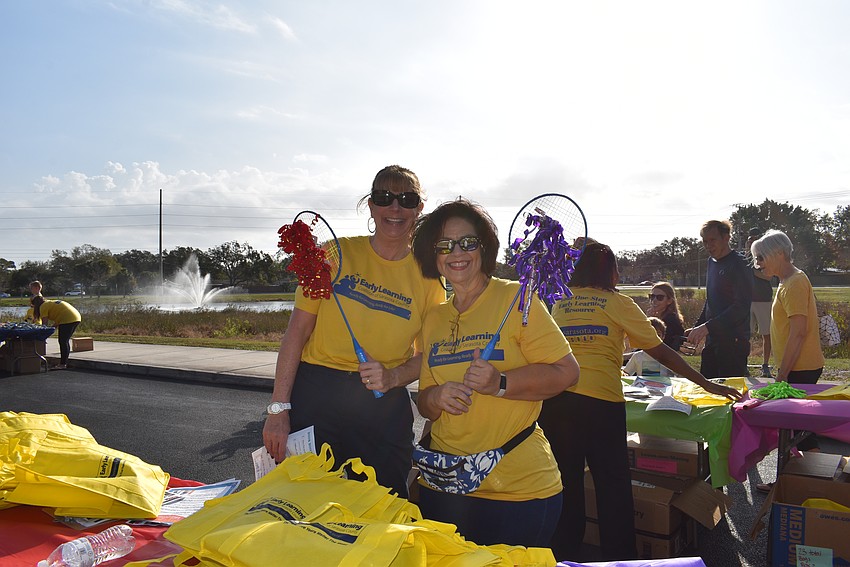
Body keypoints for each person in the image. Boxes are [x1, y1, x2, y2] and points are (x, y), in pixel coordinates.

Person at [541, 241, 741, 561]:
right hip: (600, 405)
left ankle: (564, 555)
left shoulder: (559, 302)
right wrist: (704, 383)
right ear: (610, 272)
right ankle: (619, 557)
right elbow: (659, 350)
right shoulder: (618, 303)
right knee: (613, 488)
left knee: (566, 484)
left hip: (555, 404)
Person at [261, 165, 444, 498]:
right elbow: (297, 333)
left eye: (407, 199)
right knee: (304, 502)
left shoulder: (429, 277)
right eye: (384, 197)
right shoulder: (335, 254)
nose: (395, 208)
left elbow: (428, 356)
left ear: (420, 208)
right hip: (317, 393)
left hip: (382, 403)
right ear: (370, 205)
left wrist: (393, 376)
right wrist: (278, 409)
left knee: (381, 505)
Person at [410, 198, 580, 548]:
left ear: (483, 247)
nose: (456, 252)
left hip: (517, 490)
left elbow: (567, 372)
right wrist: (437, 397)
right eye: (444, 245)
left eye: (467, 242)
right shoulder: (434, 318)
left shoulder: (517, 298)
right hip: (445, 485)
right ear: (434, 255)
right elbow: (425, 405)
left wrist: (500, 383)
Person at [752, 230, 823, 451]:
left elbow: (799, 332)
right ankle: (794, 480)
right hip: (795, 367)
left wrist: (783, 373)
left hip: (800, 368)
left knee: (800, 432)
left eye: (761, 257)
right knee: (794, 431)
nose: (758, 264)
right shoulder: (787, 282)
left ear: (779, 254)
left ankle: (812, 481)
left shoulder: (794, 283)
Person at [686, 220, 753, 378]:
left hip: (733, 342)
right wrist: (698, 328)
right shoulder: (711, 262)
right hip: (712, 340)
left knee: (730, 394)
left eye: (712, 240)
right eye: (705, 242)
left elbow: (741, 307)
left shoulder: (740, 263)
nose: (708, 245)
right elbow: (711, 300)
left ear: (726, 237)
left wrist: (706, 327)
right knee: (706, 391)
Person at [746, 228, 775, 377]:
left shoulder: (765, 258)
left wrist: (752, 272)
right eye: (750, 239)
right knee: (745, 334)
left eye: (755, 239)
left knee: (766, 334)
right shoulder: (743, 259)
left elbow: (768, 277)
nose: (751, 241)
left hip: (763, 300)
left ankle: (765, 366)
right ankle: (743, 364)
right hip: (746, 301)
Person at [26, 295, 81, 369]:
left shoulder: (43, 307)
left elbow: (44, 324)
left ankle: (63, 364)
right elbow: (59, 317)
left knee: (63, 341)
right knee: (65, 341)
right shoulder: (49, 303)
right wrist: (52, 328)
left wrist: (42, 335)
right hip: (75, 317)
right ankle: (64, 362)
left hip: (67, 318)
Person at [645, 281, 686, 351]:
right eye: (652, 296)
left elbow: (655, 344)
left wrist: (649, 322)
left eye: (659, 297)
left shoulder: (671, 320)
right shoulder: (660, 317)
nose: (654, 300)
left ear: (669, 301)